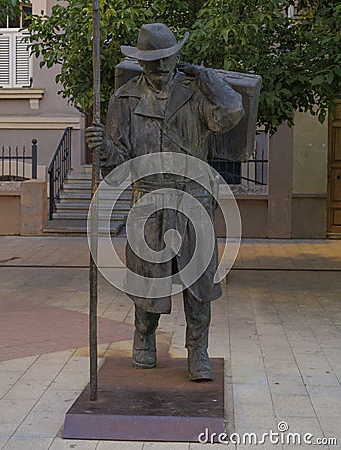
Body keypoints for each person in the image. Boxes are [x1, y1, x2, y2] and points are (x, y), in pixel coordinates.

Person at [86, 23, 244, 381]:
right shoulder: (124, 99)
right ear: (141, 62)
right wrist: (102, 146)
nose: (158, 66)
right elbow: (118, 161)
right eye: (151, 60)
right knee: (148, 279)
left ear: (175, 56)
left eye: (164, 58)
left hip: (195, 201)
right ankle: (144, 337)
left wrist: (207, 77)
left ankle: (198, 349)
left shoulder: (197, 93)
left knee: (199, 284)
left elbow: (231, 114)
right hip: (149, 202)